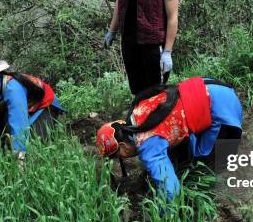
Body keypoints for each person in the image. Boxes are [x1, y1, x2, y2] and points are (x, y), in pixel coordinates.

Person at [96, 77, 242, 202]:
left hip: (224, 110)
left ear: (123, 146)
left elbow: (171, 192)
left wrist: (163, 217)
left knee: (209, 167)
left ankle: (216, 192)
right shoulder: (137, 112)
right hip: (211, 86)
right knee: (181, 153)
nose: (122, 158)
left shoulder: (147, 146)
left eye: (118, 156)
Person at [0, 51, 64, 160]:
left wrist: (19, 157)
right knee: (3, 144)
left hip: (42, 107)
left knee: (35, 144)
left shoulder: (12, 87)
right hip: (12, 110)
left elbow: (18, 121)